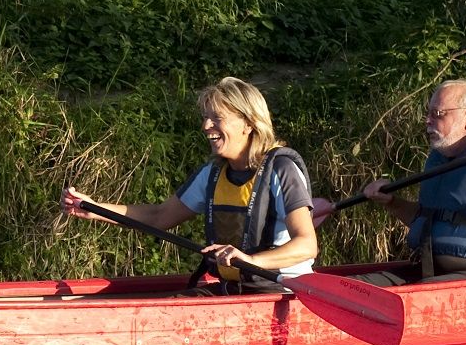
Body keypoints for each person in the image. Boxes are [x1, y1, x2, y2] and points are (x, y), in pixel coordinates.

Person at [62, 77, 317, 289]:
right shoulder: (212, 173)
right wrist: (95, 210)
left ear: (248, 124)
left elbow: (307, 245)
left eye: (217, 118)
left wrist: (250, 260)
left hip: (282, 291)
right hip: (235, 291)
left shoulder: (281, 169)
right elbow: (159, 216)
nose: (206, 126)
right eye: (205, 117)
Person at [331, 79, 466, 281]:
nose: (427, 120)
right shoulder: (442, 156)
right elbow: (428, 218)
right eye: (429, 113)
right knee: (358, 286)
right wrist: (392, 202)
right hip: (431, 267)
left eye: (438, 113)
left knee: (407, 298)